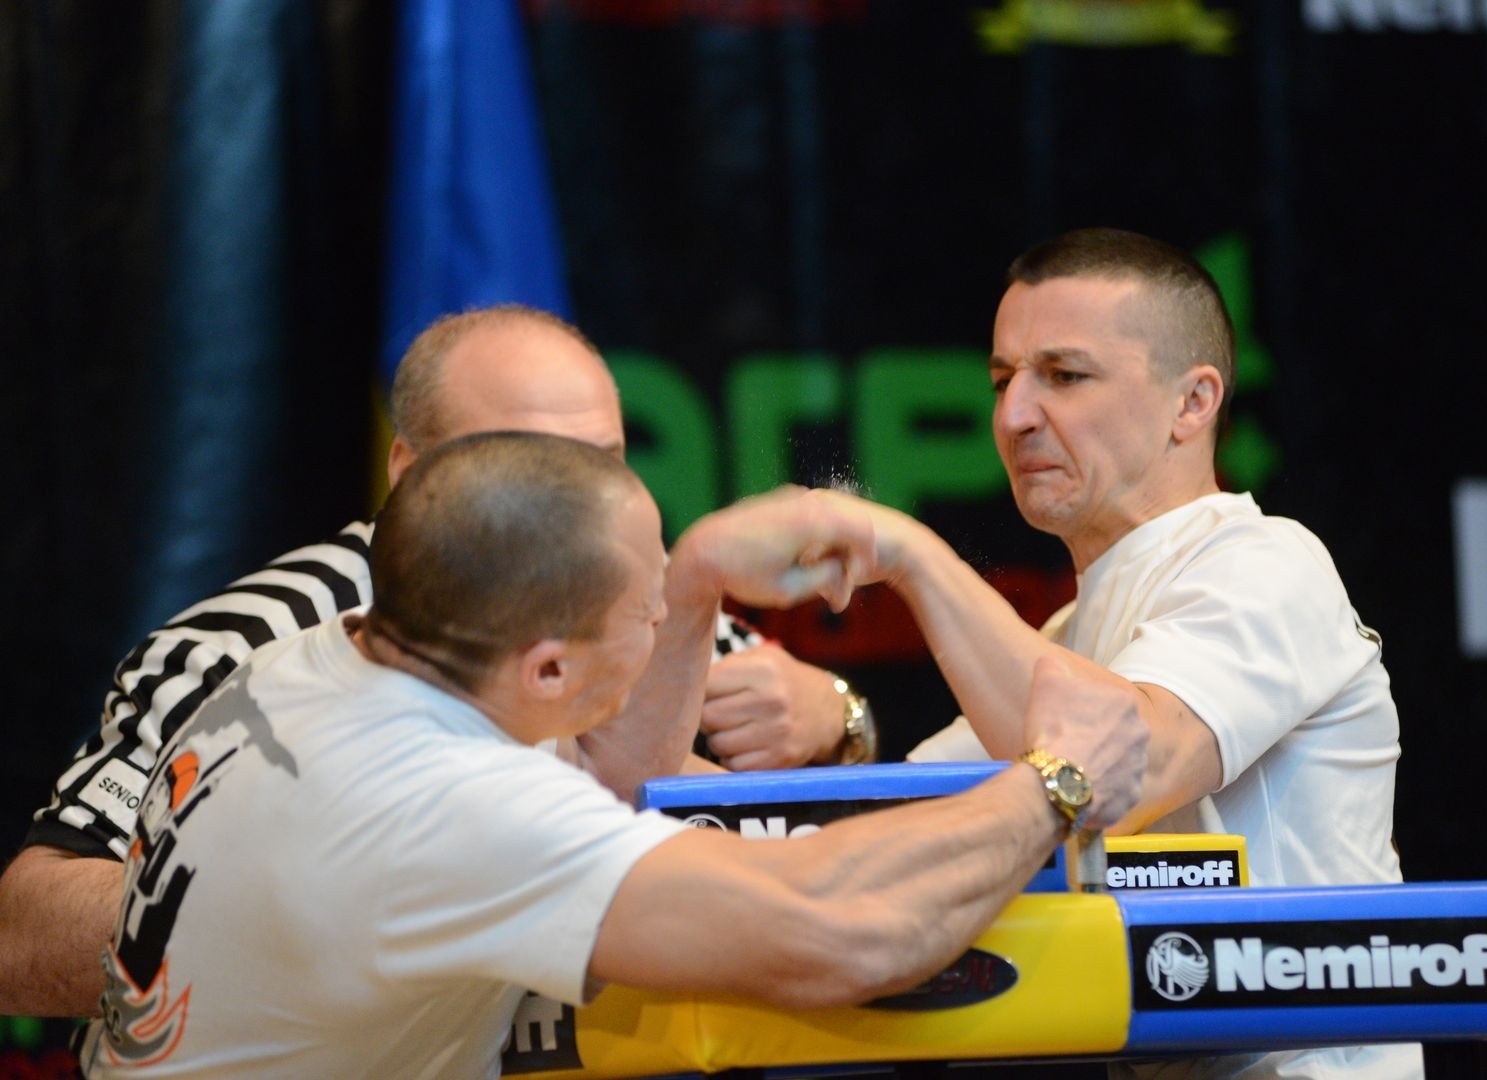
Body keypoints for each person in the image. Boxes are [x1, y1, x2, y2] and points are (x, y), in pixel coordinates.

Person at [79, 432, 1147, 1078]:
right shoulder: (449, 806)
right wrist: (1058, 782)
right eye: (646, 612)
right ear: (547, 671)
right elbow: (842, 933)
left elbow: (612, 782)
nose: (664, 626)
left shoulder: (322, 660)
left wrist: (696, 577)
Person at [0, 305, 873, 1019]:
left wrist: (836, 718)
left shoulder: (647, 593)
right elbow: (22, 941)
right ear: (412, 473)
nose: (574, 518)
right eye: (525, 472)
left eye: (600, 468)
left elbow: (793, 829)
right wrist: (309, 897)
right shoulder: (242, 648)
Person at [824, 228, 1420, 1079]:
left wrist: (914, 559)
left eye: (1064, 376)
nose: (1013, 417)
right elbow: (907, 817)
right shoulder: (1071, 634)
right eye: (1002, 380)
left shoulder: (1269, 564)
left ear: (1193, 403)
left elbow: (1113, 772)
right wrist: (832, 724)